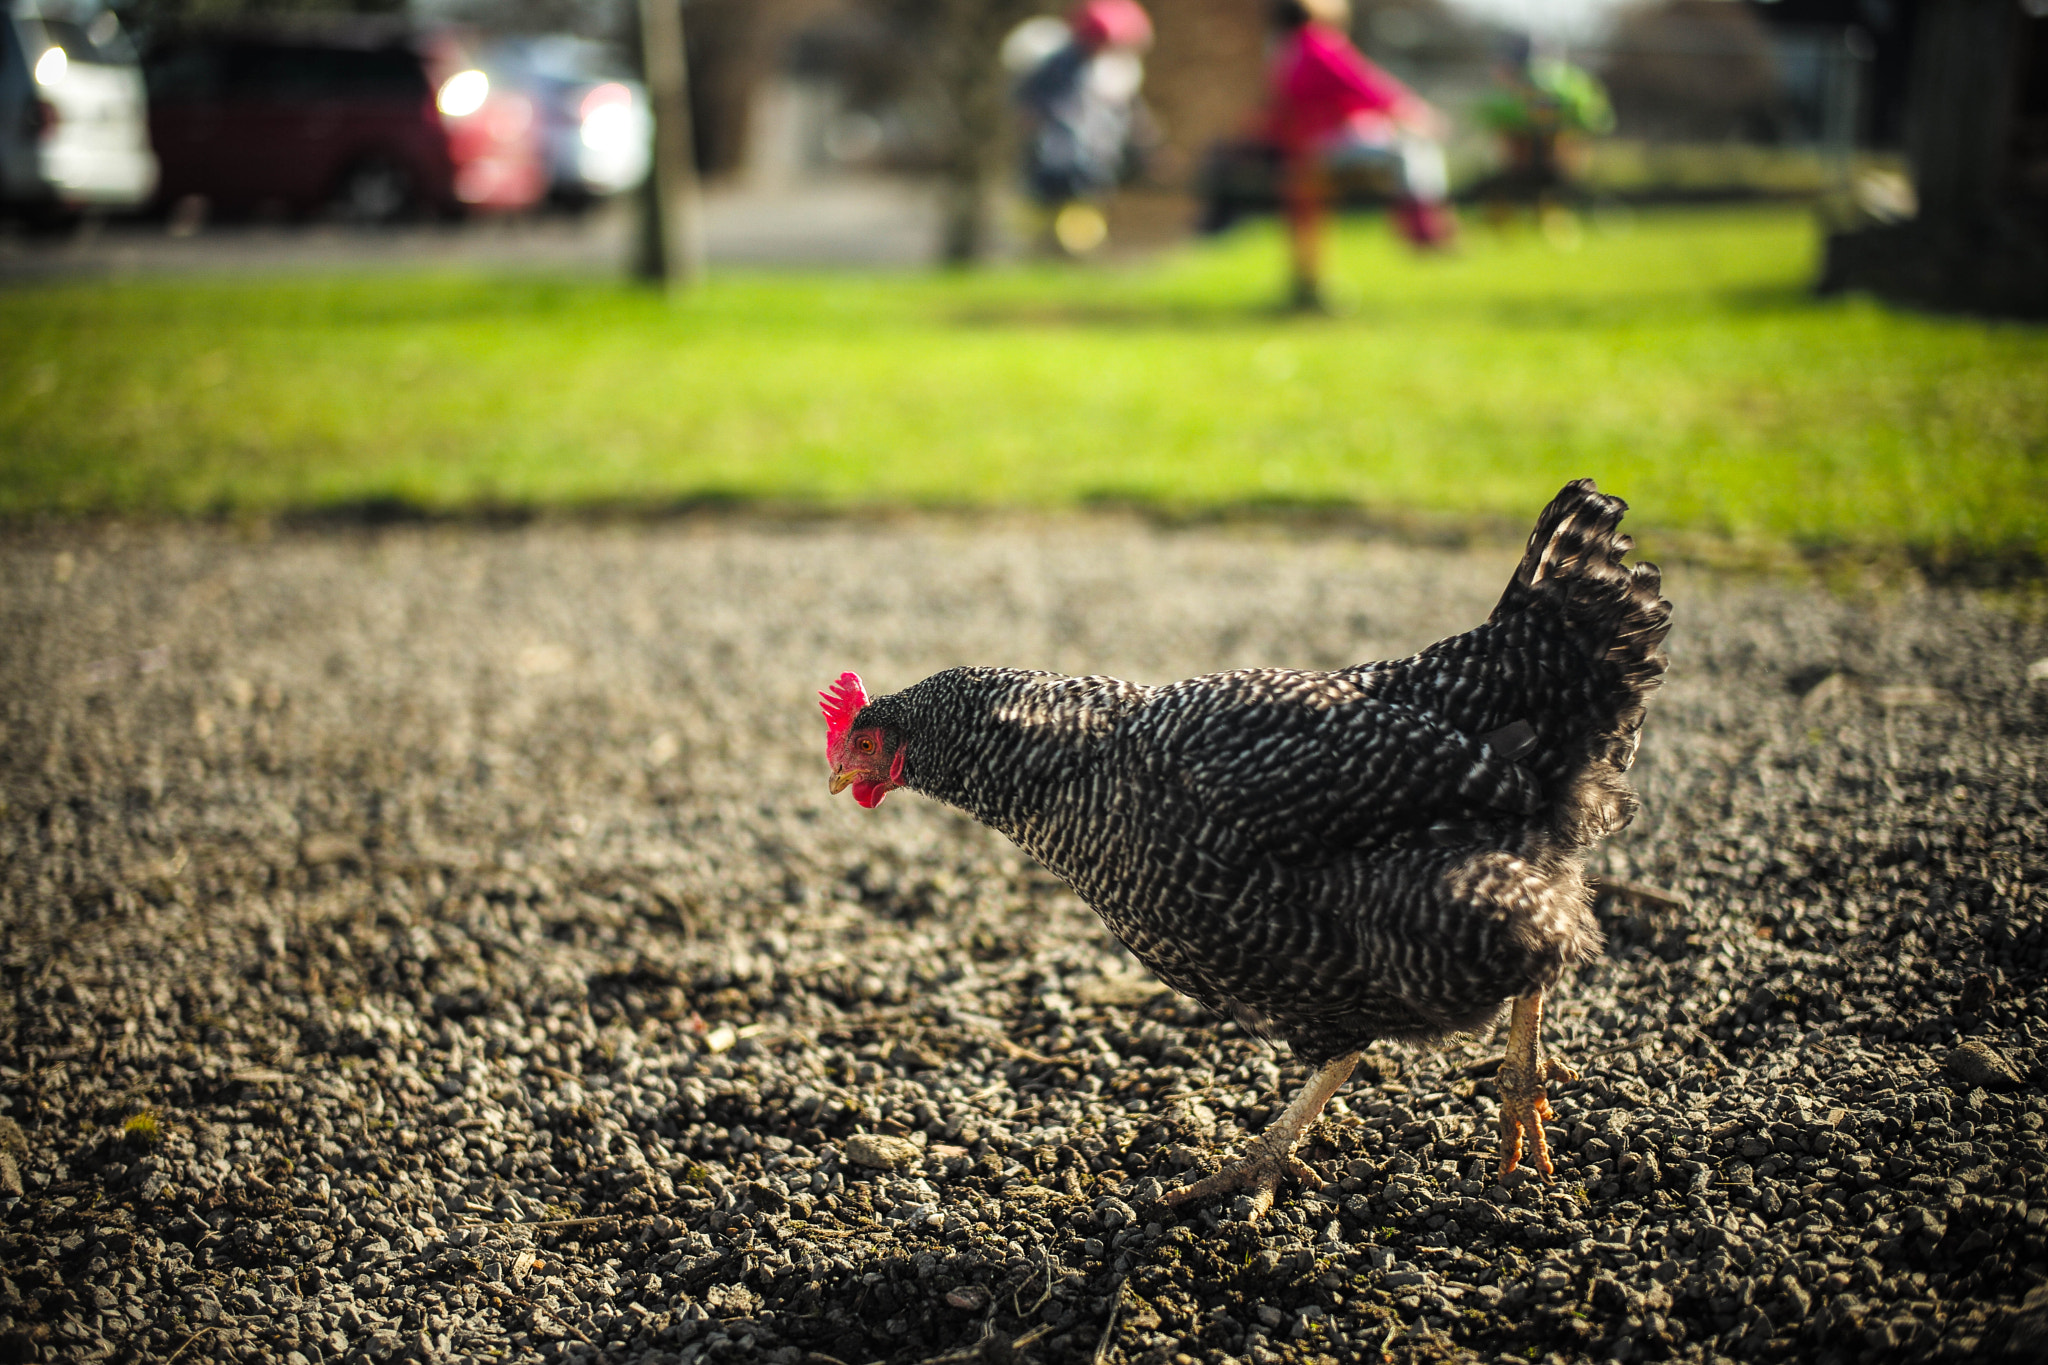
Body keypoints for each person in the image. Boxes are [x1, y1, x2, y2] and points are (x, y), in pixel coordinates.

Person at [1262, 0, 1452, 311]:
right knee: (1413, 148)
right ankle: (1423, 225)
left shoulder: (1283, 50)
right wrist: (1418, 114)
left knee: (1399, 146)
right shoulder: (1319, 44)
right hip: (1326, 149)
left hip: (1302, 151)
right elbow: (1365, 84)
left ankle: (1308, 287)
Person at [1012, 0, 1155, 256]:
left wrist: (1147, 144)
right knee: (1045, 208)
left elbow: (1130, 113)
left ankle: (1072, 257)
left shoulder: (1112, 71)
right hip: (1059, 159)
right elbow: (1040, 107)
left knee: (1081, 212)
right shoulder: (1059, 67)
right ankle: (1040, 254)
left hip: (1091, 163)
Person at [1473, 34, 1614, 237]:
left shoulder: (1565, 85)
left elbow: (1594, 120)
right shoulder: (1509, 94)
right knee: (1514, 170)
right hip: (1525, 160)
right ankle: (1518, 218)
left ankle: (1553, 215)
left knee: (1552, 169)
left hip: (1555, 159)